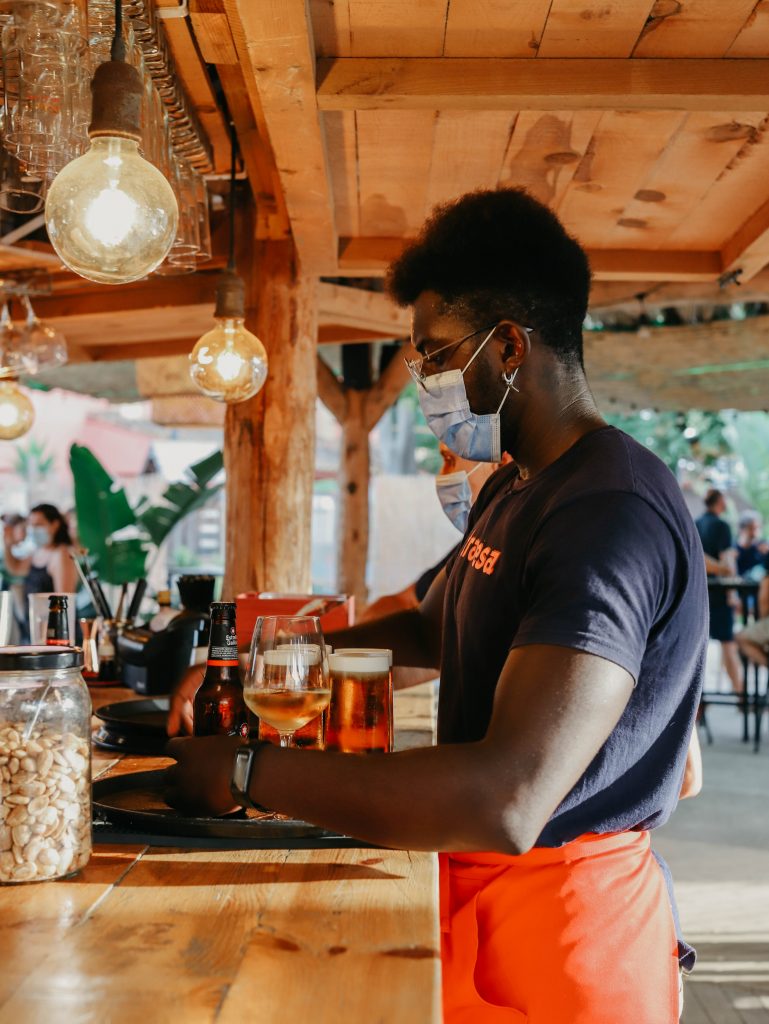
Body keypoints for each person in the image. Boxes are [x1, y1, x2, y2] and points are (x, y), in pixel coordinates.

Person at [164, 188, 707, 1024]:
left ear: (511, 346)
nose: (424, 380)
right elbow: (430, 627)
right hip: (481, 897)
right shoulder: (522, 485)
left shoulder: (608, 510)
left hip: (565, 934)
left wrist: (249, 774)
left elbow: (508, 797)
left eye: (435, 354)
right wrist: (265, 660)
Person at [695, 489, 744, 695]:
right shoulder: (722, 526)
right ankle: (740, 694)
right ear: (720, 502)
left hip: (699, 594)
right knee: (728, 646)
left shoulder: (695, 523)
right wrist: (732, 593)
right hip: (720, 593)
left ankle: (698, 702)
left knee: (697, 652)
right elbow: (727, 564)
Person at [2, 503, 78, 602]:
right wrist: (8, 545)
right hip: (34, 616)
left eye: (38, 525)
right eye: (31, 525)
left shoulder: (61, 554)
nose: (33, 530)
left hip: (49, 617)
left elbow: (65, 600)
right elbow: (16, 569)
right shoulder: (37, 551)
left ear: (55, 525)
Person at [735, 510, 767, 578]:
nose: (755, 533)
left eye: (757, 528)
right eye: (751, 529)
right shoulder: (734, 550)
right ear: (741, 529)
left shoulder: (762, 547)